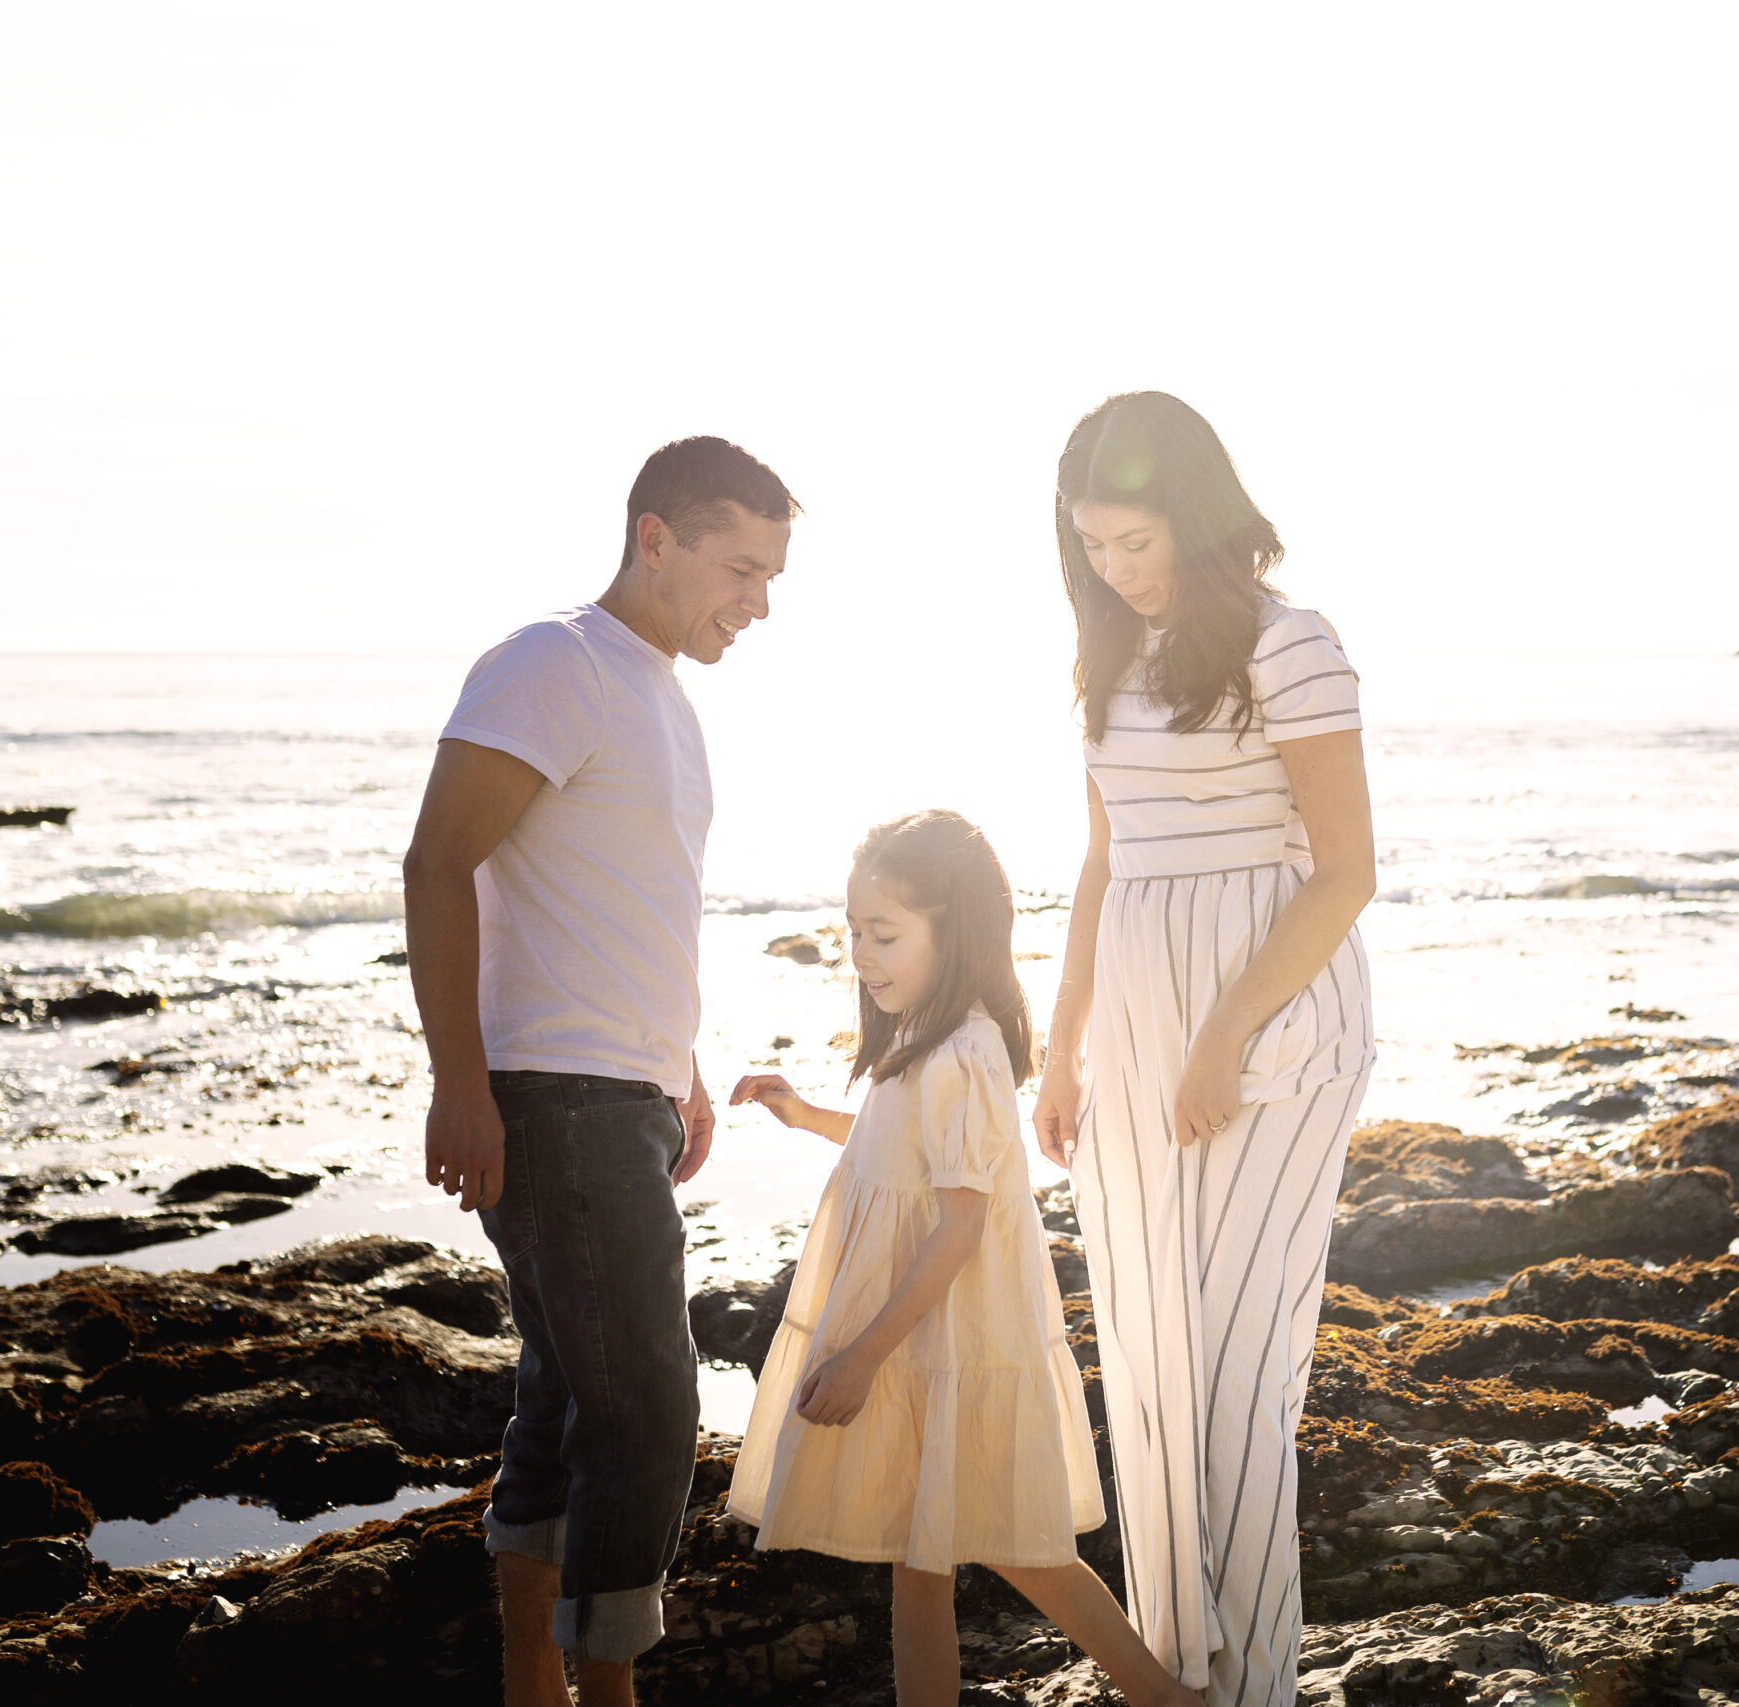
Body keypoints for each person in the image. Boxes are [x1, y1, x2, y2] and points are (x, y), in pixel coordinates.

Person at [402, 435, 797, 1707]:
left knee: (570, 1400)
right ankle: (601, 1690)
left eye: (773, 572)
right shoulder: (554, 664)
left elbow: (621, 905)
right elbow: (436, 862)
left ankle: (534, 1685)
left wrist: (678, 1069)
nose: (760, 599)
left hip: (614, 1098)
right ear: (655, 537)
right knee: (646, 1414)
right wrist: (460, 1083)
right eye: (740, 565)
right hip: (552, 1099)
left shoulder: (660, 695)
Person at [1032, 393, 1378, 1706]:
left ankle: (1260, 1685)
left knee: (1239, 1375)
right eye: (1094, 547)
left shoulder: (1294, 645)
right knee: (1155, 1360)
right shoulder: (1110, 658)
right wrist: (1062, 1052)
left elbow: (1343, 870)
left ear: (1197, 507)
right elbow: (1103, 861)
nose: (1118, 568)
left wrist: (1224, 1033)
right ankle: (1182, 1669)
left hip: (1272, 1020)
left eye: (1135, 539)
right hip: (1130, 1025)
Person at [725, 811, 1202, 1707]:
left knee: (1024, 1548)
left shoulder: (966, 1053)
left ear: (957, 930)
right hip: (923, 1337)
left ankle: (1167, 1699)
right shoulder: (916, 1038)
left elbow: (960, 1223)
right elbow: (889, 1153)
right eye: (853, 933)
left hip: (954, 1338)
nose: (862, 955)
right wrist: (805, 1115)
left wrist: (863, 1353)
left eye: (885, 935)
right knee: (921, 1558)